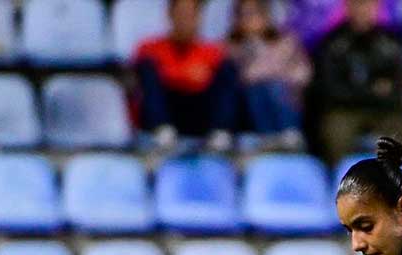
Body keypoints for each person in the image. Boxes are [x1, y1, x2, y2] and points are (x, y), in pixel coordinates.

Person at [308, 0, 402, 162]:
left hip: (383, 110)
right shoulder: (332, 43)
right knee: (335, 130)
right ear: (347, 8)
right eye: (358, 5)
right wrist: (372, 90)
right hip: (345, 110)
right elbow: (331, 90)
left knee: (401, 129)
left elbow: (398, 88)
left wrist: (361, 90)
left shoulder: (391, 42)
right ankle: (337, 175)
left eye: (369, 5)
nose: (364, 11)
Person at [133, 0, 238, 152]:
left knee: (226, 71)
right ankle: (163, 132)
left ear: (199, 17)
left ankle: (220, 133)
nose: (185, 20)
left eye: (190, 15)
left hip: (199, 111)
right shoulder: (149, 48)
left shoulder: (213, 51)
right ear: (170, 15)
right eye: (181, 14)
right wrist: (190, 75)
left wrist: (188, 77)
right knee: (148, 70)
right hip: (167, 110)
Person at [226, 0, 310, 149]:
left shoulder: (285, 42)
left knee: (276, 87)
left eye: (253, 14)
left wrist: (287, 79)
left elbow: (303, 72)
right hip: (249, 107)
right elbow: (245, 78)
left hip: (287, 97)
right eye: (244, 15)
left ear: (266, 15)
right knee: (259, 87)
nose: (249, 20)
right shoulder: (231, 48)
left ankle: (290, 134)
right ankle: (268, 138)